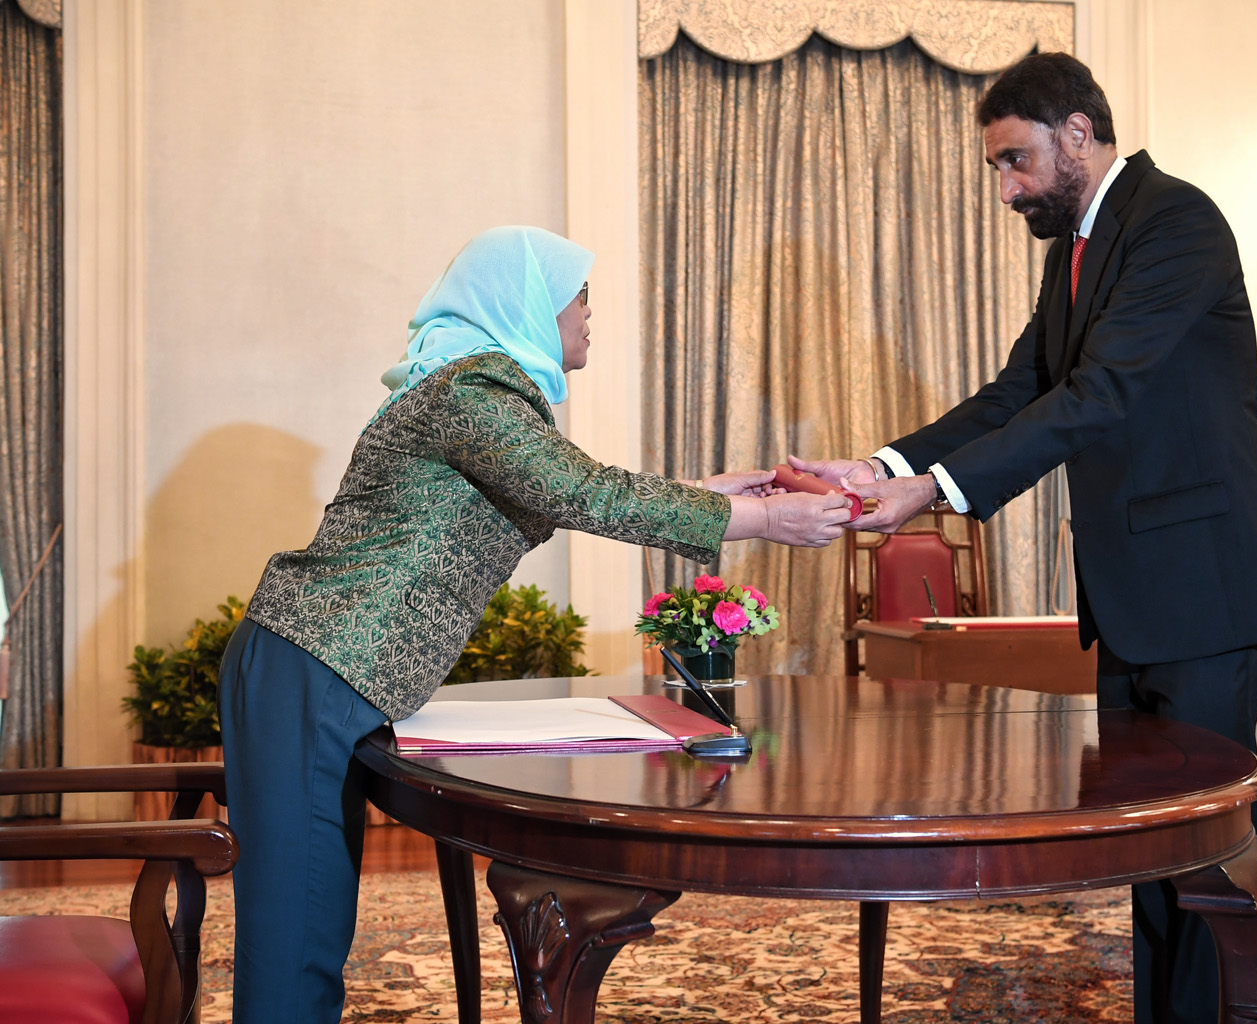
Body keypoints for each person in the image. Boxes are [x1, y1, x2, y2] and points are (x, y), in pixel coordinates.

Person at [217, 225, 852, 1023]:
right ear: (525, 304)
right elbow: (585, 494)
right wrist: (766, 518)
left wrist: (710, 492)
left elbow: (571, 487)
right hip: (315, 662)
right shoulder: (471, 393)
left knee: (308, 918)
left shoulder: (478, 394)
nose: (589, 313)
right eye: (576, 296)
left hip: (320, 663)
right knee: (297, 928)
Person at [791, 52, 1257, 1024]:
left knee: (1208, 856)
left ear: (1077, 133)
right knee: (1153, 852)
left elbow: (1097, 395)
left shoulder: (1177, 221)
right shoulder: (1076, 254)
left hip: (1206, 591)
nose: (1007, 189)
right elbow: (1017, 393)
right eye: (997, 168)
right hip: (1135, 598)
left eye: (1015, 161)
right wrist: (883, 467)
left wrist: (934, 493)